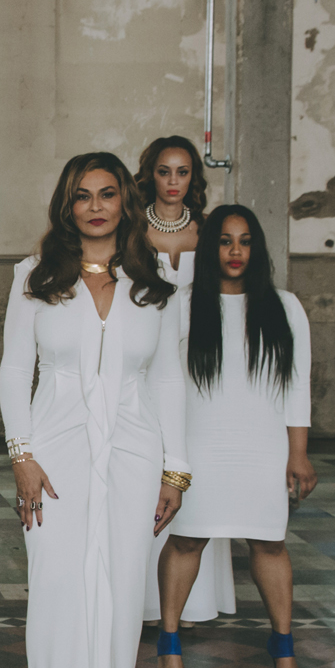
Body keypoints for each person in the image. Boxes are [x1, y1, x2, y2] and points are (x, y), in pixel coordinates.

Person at [0, 152, 186, 668]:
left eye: (108, 194)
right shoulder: (33, 276)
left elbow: (167, 378)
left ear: (124, 204)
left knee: (114, 603)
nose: (96, 205)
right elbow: (10, 371)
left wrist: (176, 470)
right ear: (66, 205)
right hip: (51, 457)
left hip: (134, 456)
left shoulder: (155, 278)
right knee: (56, 599)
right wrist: (20, 455)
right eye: (82, 195)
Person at [154, 206, 316, 668]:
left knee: (269, 542)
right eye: (225, 241)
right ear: (210, 249)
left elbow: (297, 386)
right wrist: (170, 457)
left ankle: (283, 648)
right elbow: (162, 383)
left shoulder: (285, 306)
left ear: (257, 248)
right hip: (199, 447)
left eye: (245, 241)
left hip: (263, 448)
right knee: (187, 540)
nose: (236, 251)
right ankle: (170, 645)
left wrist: (299, 453)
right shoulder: (180, 305)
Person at [134, 135, 232, 626]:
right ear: (150, 174)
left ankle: (190, 600)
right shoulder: (130, 229)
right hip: (145, 361)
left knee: (193, 464)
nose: (174, 182)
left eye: (183, 172)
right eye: (165, 171)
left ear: (194, 178)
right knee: (148, 459)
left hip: (199, 363)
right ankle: (142, 598)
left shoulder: (211, 231)